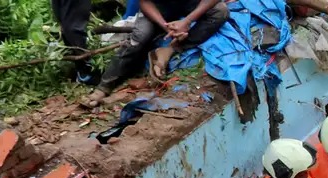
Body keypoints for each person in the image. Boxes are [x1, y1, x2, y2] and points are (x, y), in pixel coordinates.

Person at [83, 0, 230, 107]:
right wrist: (166, 27)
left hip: (189, 3)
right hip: (159, 6)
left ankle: (173, 48)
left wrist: (187, 21)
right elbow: (145, 2)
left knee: (220, 11)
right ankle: (104, 86)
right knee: (140, 37)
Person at [49, 0, 96, 85]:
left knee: (78, 41)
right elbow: (55, 5)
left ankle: (85, 71)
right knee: (77, 44)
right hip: (72, 22)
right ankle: (83, 74)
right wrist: (60, 21)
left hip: (79, 18)